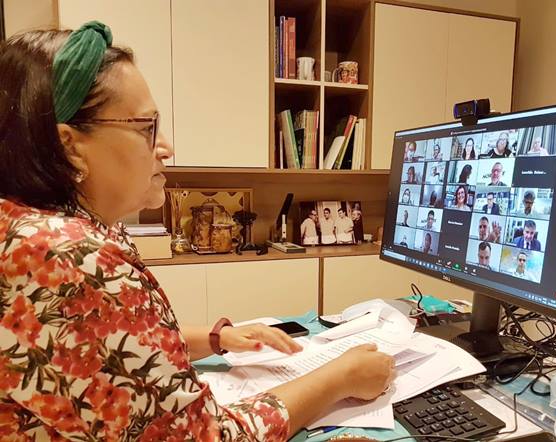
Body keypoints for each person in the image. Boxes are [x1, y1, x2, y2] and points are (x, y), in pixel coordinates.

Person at [0, 23, 395, 440]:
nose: (167, 148)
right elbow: (205, 436)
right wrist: (339, 378)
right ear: (69, 145)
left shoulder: (28, 229)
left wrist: (217, 337)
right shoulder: (71, 256)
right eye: (146, 128)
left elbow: (103, 347)